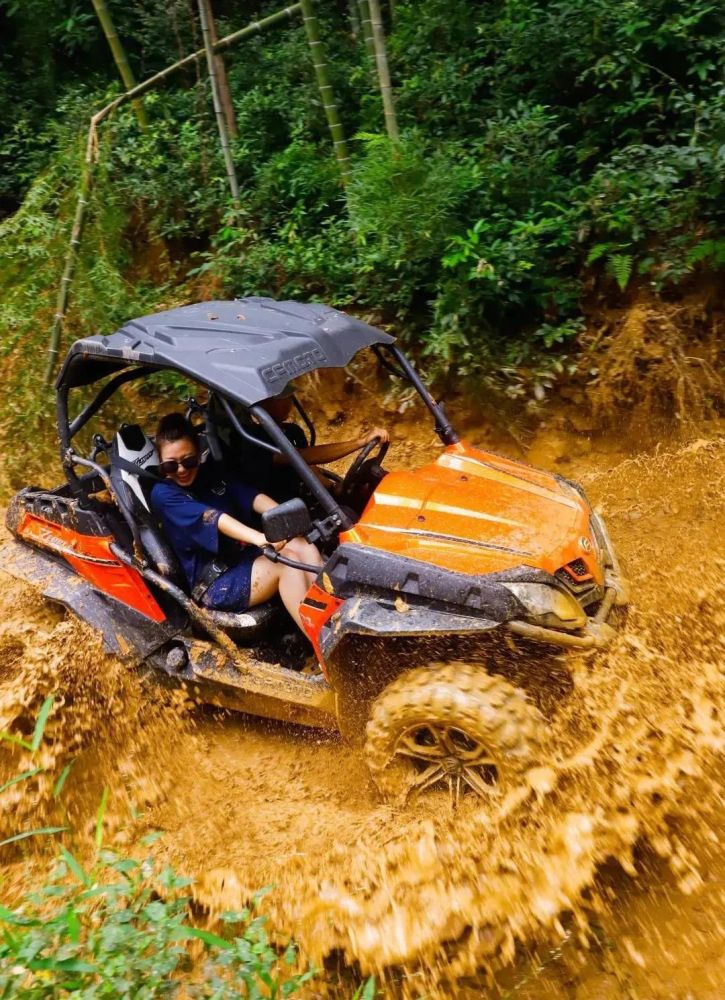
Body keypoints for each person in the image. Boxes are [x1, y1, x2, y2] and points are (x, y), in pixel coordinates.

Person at [149, 413, 322, 634]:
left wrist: (288, 516)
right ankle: (320, 641)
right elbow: (213, 518)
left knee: (301, 544)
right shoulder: (163, 494)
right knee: (287, 563)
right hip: (215, 582)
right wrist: (260, 538)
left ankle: (331, 614)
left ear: (198, 454)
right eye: (170, 466)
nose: (181, 470)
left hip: (244, 558)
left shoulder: (210, 474)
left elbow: (251, 496)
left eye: (188, 461)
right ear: (161, 464)